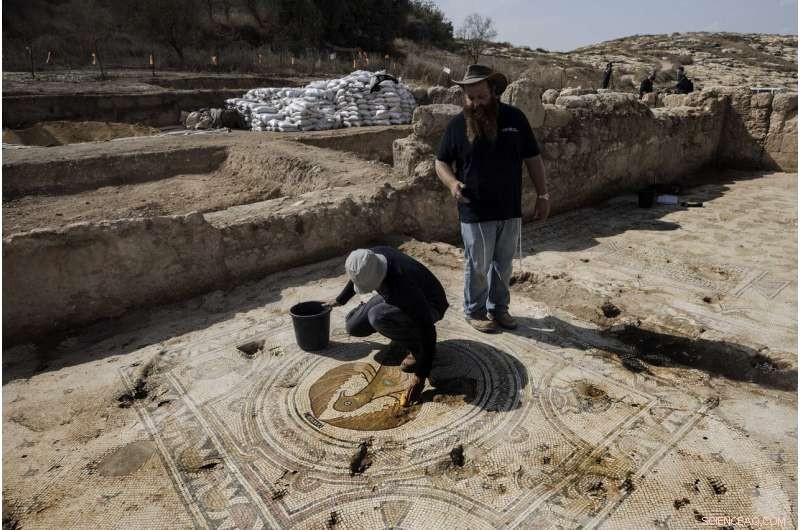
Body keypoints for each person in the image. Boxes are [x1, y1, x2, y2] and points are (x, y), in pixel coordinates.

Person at [435, 64, 550, 334]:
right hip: (474, 210)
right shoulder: (457, 125)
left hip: (509, 208)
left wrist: (543, 195)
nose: (475, 104)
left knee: (504, 264)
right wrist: (452, 183)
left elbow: (532, 158)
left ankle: (499, 308)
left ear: (494, 92)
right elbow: (440, 162)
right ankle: (474, 310)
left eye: (480, 97)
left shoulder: (515, 119)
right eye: (470, 98)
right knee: (477, 265)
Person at [326, 247, 449, 406]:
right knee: (353, 326)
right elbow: (358, 275)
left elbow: (427, 329)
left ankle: (416, 347)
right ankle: (394, 321)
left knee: (378, 317)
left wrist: (420, 376)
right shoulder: (369, 257)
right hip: (395, 293)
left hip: (430, 304)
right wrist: (340, 300)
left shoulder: (404, 287)